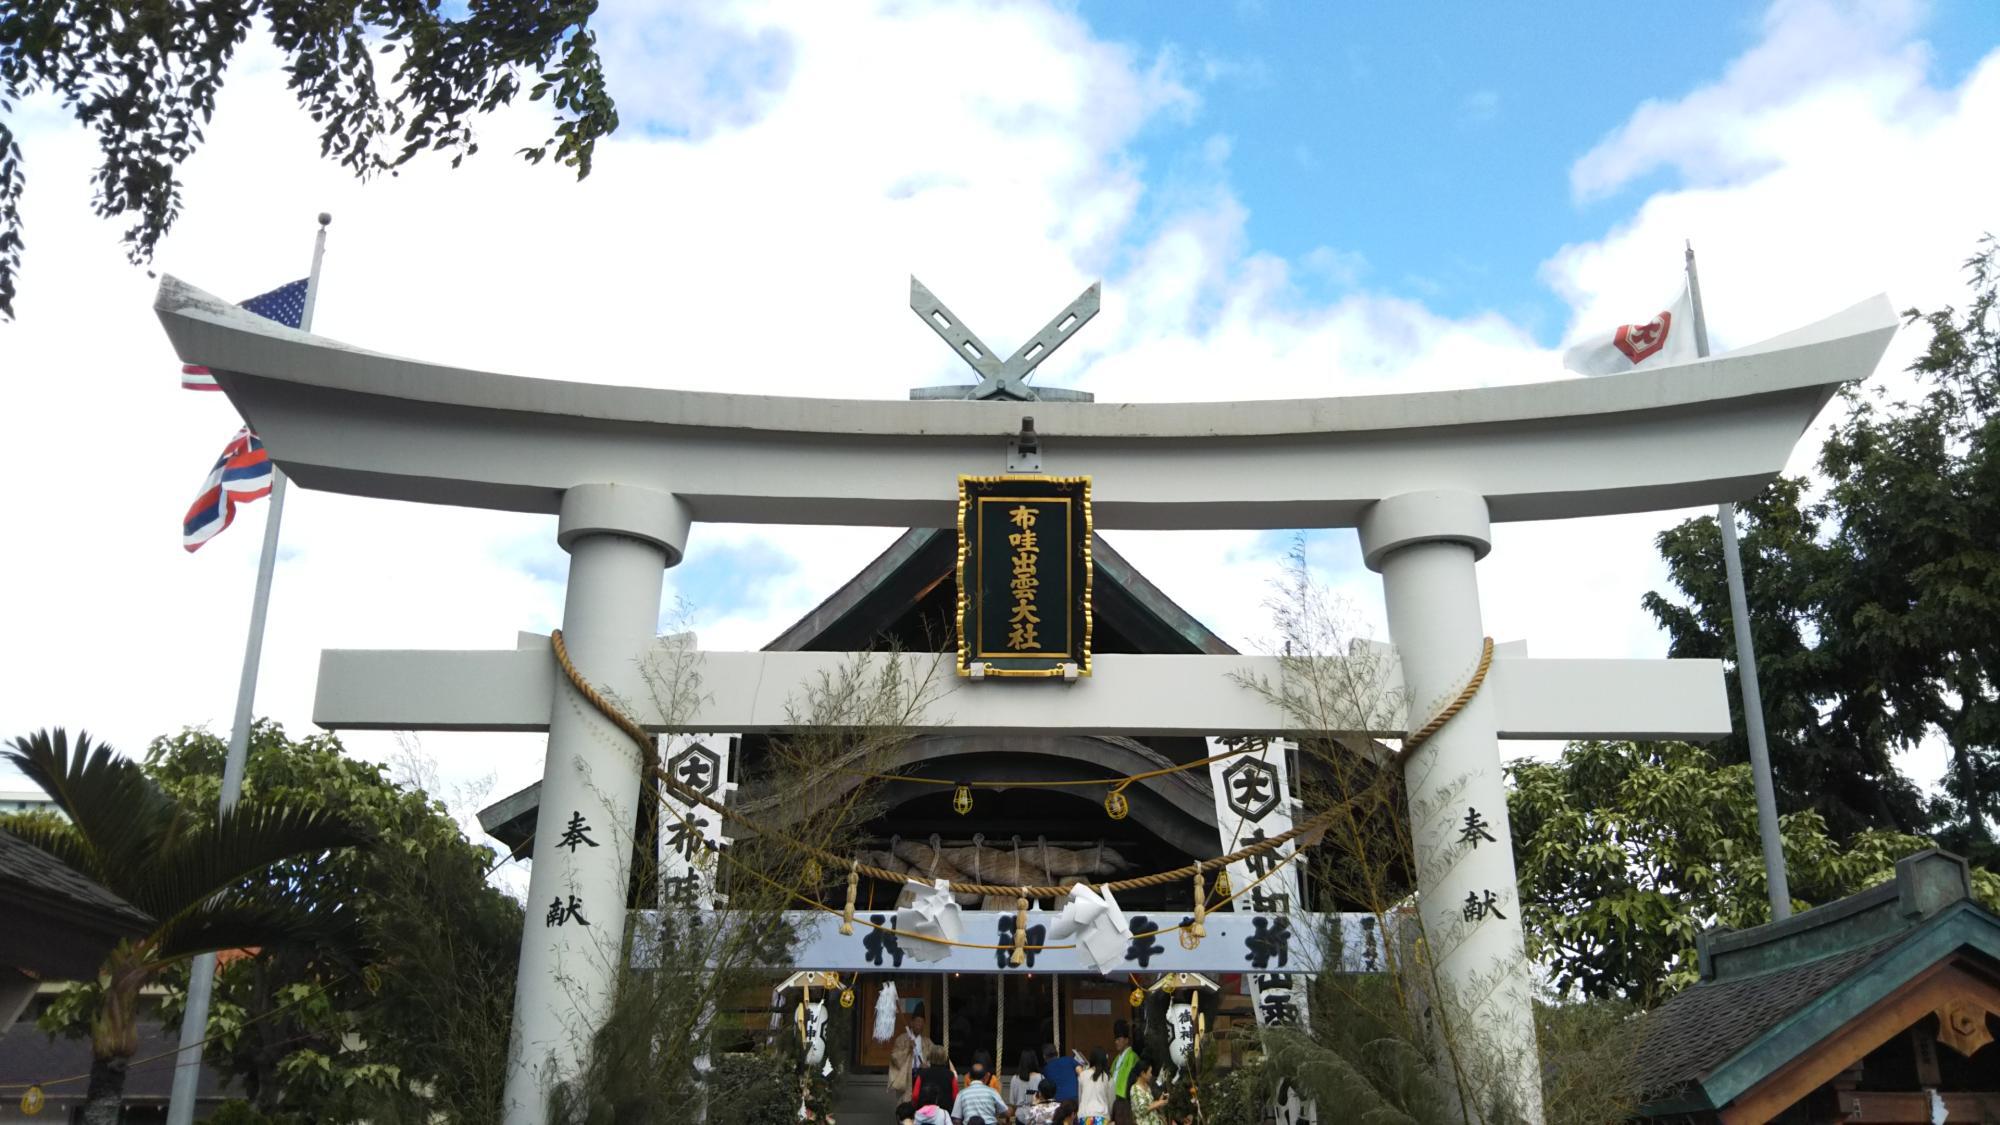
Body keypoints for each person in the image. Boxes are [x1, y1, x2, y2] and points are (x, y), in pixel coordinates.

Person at [889, 1010, 936, 1099]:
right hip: (906, 1076)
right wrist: (908, 1049)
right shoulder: (902, 1039)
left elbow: (935, 1057)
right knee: (906, 1104)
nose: (920, 1024)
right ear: (911, 1023)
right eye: (918, 1021)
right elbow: (894, 1057)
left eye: (922, 1022)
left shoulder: (927, 1042)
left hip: (922, 1075)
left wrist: (928, 1065)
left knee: (921, 1102)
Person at [1108, 1021, 1139, 1124]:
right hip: (1115, 1100)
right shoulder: (1116, 1059)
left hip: (1125, 1100)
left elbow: (1131, 1079)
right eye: (1115, 1039)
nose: (1116, 1042)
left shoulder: (1133, 1057)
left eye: (1119, 1039)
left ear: (1126, 1040)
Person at [912, 1043, 957, 1111]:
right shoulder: (950, 1075)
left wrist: (916, 1108)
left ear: (930, 1056)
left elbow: (915, 1096)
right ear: (945, 1057)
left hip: (924, 1112)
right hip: (945, 1112)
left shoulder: (922, 1073)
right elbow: (955, 1096)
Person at [1041, 1044, 1080, 1119]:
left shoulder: (1045, 1070)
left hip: (1057, 1104)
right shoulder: (1069, 1059)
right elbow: (1081, 1072)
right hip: (1074, 1101)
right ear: (1057, 1052)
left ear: (1044, 1056)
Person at [1076, 1048, 1113, 1125]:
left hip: (1084, 1117)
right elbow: (1111, 1101)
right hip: (1102, 1118)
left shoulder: (1083, 1075)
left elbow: (1080, 1098)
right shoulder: (1108, 1077)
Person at [1127, 1059, 1169, 1125]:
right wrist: (1159, 1103)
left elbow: (1150, 1105)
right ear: (1143, 1073)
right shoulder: (1135, 1089)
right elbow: (1142, 1110)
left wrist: (1160, 1100)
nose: (1151, 1075)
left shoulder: (1147, 1086)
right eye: (1150, 1072)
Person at [1008, 1048, 1044, 1114]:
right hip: (1036, 1113)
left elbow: (1012, 1103)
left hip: (1020, 1114)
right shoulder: (1041, 1078)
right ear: (1034, 1061)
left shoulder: (1015, 1078)